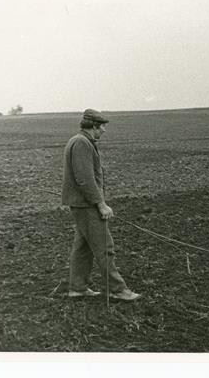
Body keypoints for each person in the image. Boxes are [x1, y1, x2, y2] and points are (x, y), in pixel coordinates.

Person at [62, 108, 141, 301]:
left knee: (84, 246)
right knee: (105, 246)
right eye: (102, 127)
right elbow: (85, 179)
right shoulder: (81, 143)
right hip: (86, 204)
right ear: (94, 126)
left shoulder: (81, 141)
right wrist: (101, 204)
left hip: (81, 203)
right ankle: (116, 289)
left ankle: (78, 288)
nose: (104, 131)